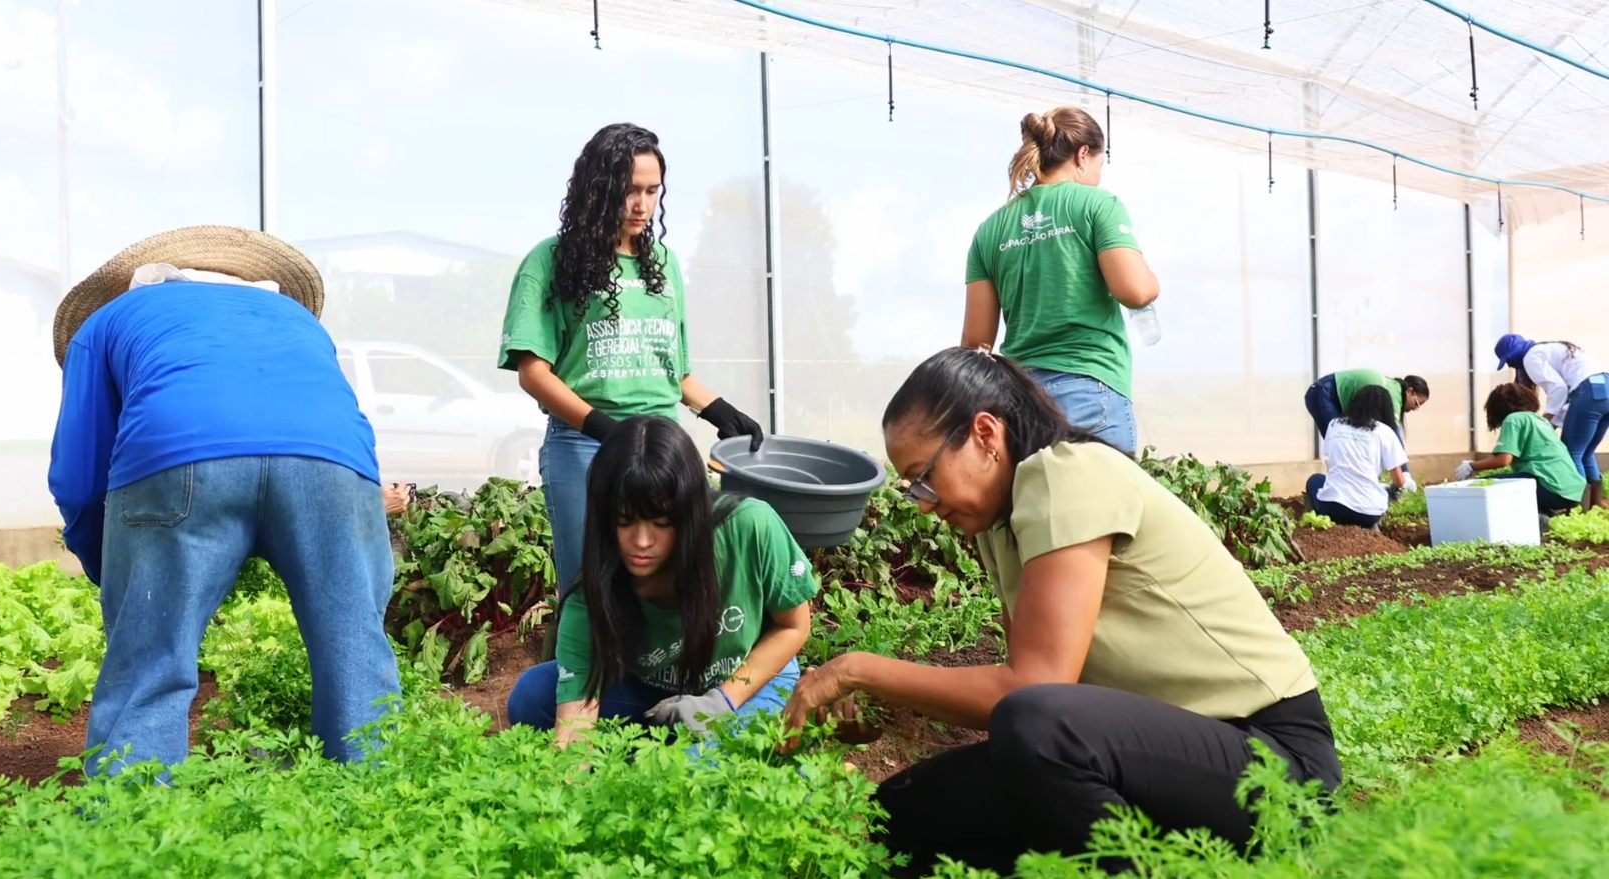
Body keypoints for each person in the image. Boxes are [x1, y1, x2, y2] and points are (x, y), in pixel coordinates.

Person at [782, 347, 1341, 875]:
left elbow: (1035, 689)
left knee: (1037, 726)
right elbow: (1023, 689)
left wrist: (856, 670)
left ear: (984, 433)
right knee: (905, 813)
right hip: (1158, 756)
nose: (923, 503)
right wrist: (888, 705)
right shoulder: (999, 523)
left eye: (924, 477)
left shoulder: (1066, 472)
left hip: (1271, 762)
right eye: (910, 488)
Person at [47, 227, 402, 777]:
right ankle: (375, 809)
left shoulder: (108, 322)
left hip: (180, 452)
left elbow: (78, 473)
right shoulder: (297, 321)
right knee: (354, 642)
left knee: (150, 660)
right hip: (331, 462)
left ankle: (129, 829)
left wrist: (114, 569)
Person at [498, 123, 765, 660]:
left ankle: (656, 697)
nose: (642, 204)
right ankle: (574, 704)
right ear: (596, 187)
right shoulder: (549, 261)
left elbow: (673, 369)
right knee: (587, 582)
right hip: (583, 447)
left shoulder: (663, 265)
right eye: (630, 189)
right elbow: (534, 370)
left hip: (662, 445)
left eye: (653, 191)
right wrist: (603, 427)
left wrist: (719, 411)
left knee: (674, 573)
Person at [506, 416, 815, 744]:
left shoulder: (749, 526)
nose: (641, 541)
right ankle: (649, 756)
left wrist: (721, 701)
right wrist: (570, 779)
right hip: (653, 690)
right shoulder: (596, 589)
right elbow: (574, 725)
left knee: (700, 774)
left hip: (752, 679)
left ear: (690, 513)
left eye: (662, 522)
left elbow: (792, 625)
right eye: (625, 522)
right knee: (533, 697)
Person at [961, 106, 1160, 455]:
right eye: (1100, 163)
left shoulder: (989, 230)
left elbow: (976, 342)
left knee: (1038, 507)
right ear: (1083, 154)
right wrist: (1152, 281)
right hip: (1089, 390)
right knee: (1102, 507)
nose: (1099, 175)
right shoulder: (1098, 204)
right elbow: (1136, 291)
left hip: (1020, 404)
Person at [1495, 333, 1609, 509]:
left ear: (1514, 355)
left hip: (1588, 392)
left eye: (1509, 361)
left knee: (1573, 452)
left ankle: (1579, 507)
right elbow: (1565, 398)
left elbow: (1558, 389)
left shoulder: (1531, 357)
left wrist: (1545, 421)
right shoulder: (1547, 349)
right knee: (1586, 452)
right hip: (1604, 389)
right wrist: (1553, 423)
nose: (1511, 366)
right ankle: (1596, 503)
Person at [1455, 382, 1588, 516]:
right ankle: (1542, 515)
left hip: (1550, 487)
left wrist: (1471, 466)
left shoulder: (1513, 419)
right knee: (1513, 484)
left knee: (1483, 487)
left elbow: (1503, 460)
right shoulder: (1539, 420)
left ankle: (1536, 519)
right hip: (1572, 490)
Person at [1303, 385, 1408, 529]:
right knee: (1381, 491)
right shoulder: (1385, 432)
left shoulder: (1335, 424)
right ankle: (1372, 528)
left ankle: (1315, 525)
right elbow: (1399, 481)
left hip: (1333, 508)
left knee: (1315, 480)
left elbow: (1330, 460)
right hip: (1370, 513)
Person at [1305, 368, 1428, 489]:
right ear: (1410, 391)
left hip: (1329, 393)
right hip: (1323, 392)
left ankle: (1352, 487)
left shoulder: (1393, 389)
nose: (1415, 408)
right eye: (1417, 403)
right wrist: (1405, 474)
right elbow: (1394, 438)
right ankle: (1346, 487)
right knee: (1340, 442)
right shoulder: (1394, 396)